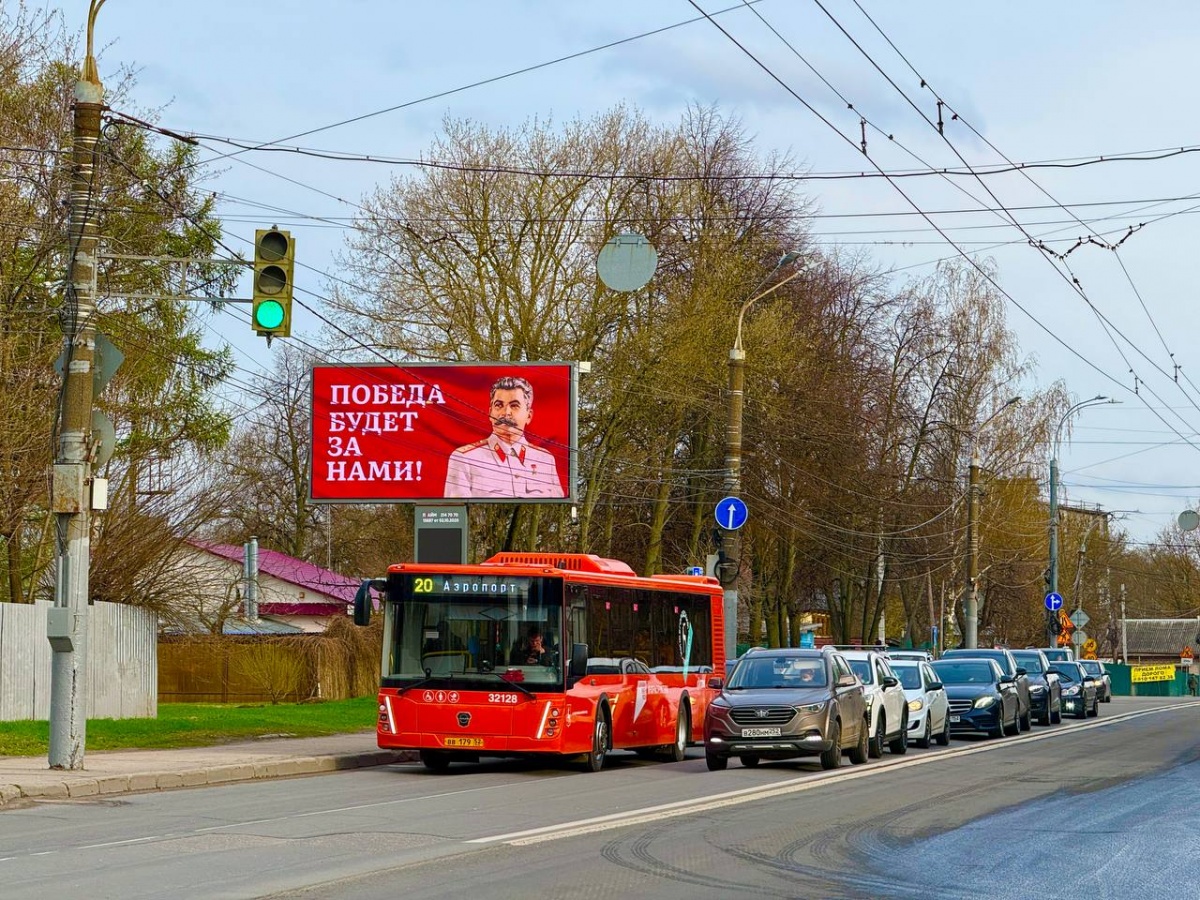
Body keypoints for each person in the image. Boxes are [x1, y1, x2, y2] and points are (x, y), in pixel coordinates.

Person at [444, 375, 565, 498]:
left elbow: (557, 510)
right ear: (490, 413)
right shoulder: (465, 458)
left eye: (514, 405)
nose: (506, 412)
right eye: (499, 405)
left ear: (529, 415)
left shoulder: (545, 460)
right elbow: (456, 512)